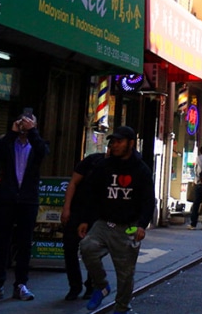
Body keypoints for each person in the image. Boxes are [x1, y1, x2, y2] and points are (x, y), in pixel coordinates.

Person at [77, 126, 155, 313]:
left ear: (131, 143)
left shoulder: (141, 169)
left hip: (128, 227)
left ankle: (121, 307)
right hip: (104, 223)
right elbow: (91, 193)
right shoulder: (103, 166)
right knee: (87, 247)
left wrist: (142, 225)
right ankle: (101, 285)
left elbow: (148, 199)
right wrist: (85, 219)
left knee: (125, 274)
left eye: (119, 142)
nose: (115, 145)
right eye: (113, 142)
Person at [0, 110, 49, 303]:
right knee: (1, 242)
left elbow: (43, 152)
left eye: (29, 122)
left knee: (25, 243)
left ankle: (20, 284)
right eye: (22, 122)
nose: (25, 125)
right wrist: (12, 133)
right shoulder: (8, 143)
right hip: (7, 199)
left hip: (28, 200)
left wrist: (32, 132)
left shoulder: (37, 144)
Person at [61, 145, 108, 301]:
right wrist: (66, 207)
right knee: (69, 248)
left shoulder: (117, 168)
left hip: (98, 215)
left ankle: (90, 285)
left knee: (92, 250)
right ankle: (74, 286)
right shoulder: (92, 160)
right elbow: (73, 183)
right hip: (77, 210)